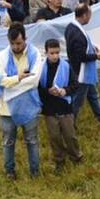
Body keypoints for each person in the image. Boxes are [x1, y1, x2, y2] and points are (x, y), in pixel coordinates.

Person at [0, 23, 43, 179]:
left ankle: (35, 172)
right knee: (8, 142)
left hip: (29, 106)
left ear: (25, 39)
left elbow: (34, 81)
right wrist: (18, 78)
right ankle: (9, 172)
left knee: (32, 141)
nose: (15, 47)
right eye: (12, 43)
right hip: (6, 109)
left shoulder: (35, 54)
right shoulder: (1, 56)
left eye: (19, 43)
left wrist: (9, 83)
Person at [65, 3, 100, 127]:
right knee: (77, 101)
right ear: (85, 15)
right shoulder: (78, 34)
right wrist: (96, 56)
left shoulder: (71, 27)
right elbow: (81, 56)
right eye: (90, 15)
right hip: (82, 73)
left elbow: (80, 48)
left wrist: (91, 47)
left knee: (93, 96)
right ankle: (68, 125)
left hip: (82, 71)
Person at [37, 38, 81, 170]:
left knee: (70, 135)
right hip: (49, 107)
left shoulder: (66, 66)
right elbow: (37, 88)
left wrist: (65, 91)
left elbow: (75, 84)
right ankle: (59, 160)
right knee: (54, 136)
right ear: (46, 53)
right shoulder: (40, 68)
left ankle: (76, 156)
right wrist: (47, 91)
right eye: (52, 53)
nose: (55, 56)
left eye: (57, 52)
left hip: (64, 106)